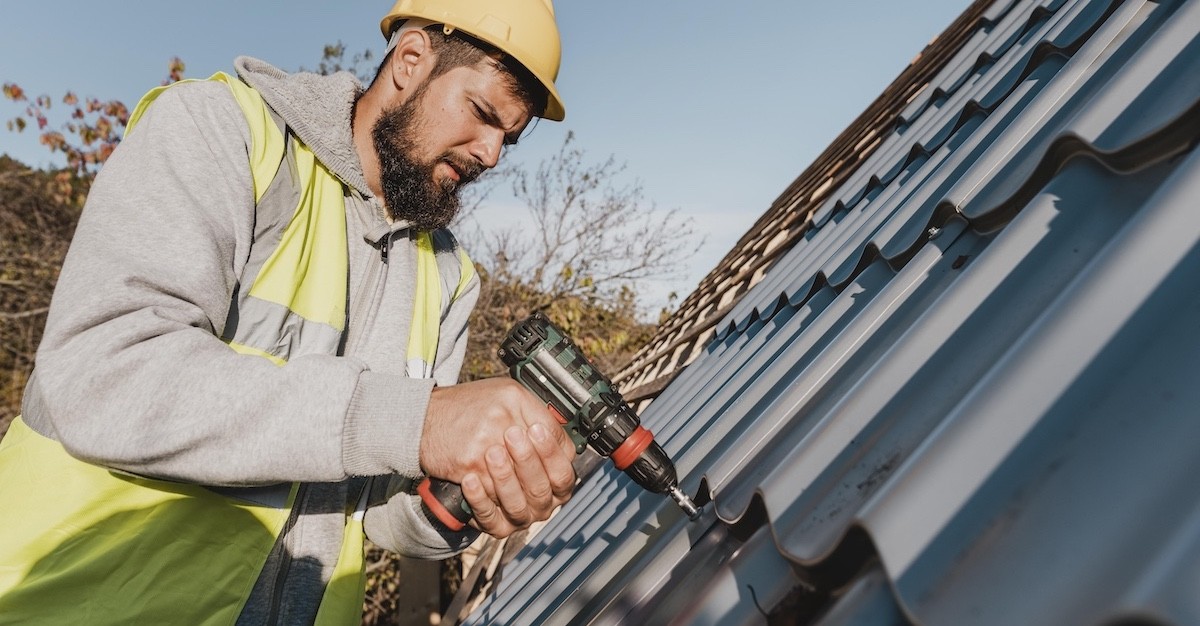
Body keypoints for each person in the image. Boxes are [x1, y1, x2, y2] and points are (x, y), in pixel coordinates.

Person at [0, 1, 576, 623]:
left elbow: (379, 510)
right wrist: (415, 422)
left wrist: (468, 497)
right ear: (411, 60)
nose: (491, 154)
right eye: (483, 114)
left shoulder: (447, 274)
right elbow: (102, 377)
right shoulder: (222, 132)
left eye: (508, 139)